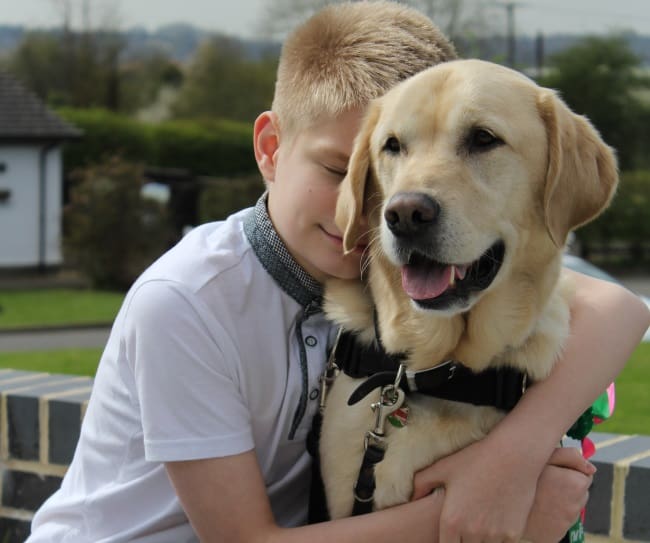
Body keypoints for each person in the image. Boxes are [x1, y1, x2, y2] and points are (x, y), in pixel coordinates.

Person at [28, 2, 650, 542]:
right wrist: (490, 510)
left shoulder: (384, 277)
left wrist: (512, 459)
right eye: (340, 169)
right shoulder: (188, 301)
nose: (370, 210)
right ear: (270, 149)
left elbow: (617, 309)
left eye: (374, 176)